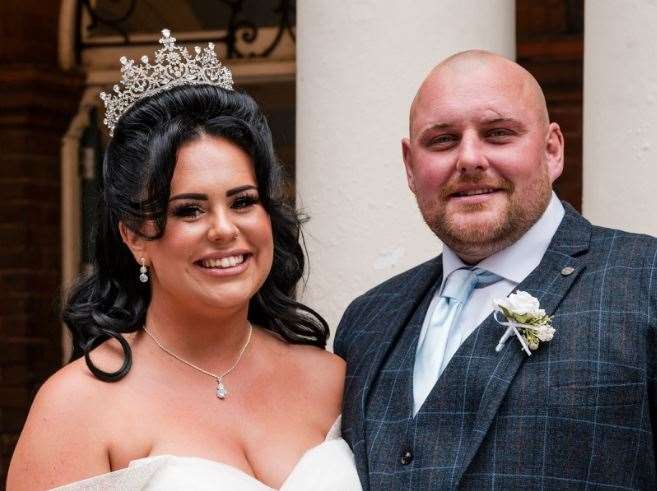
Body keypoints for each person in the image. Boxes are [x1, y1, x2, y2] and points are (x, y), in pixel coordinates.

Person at [8, 30, 361, 490]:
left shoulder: (333, 380)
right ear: (135, 236)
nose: (223, 229)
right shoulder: (78, 405)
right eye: (188, 210)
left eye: (243, 201)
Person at [335, 50, 657, 490]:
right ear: (411, 166)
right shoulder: (367, 320)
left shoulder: (646, 279)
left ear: (552, 150)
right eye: (443, 140)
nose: (469, 159)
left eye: (498, 134)